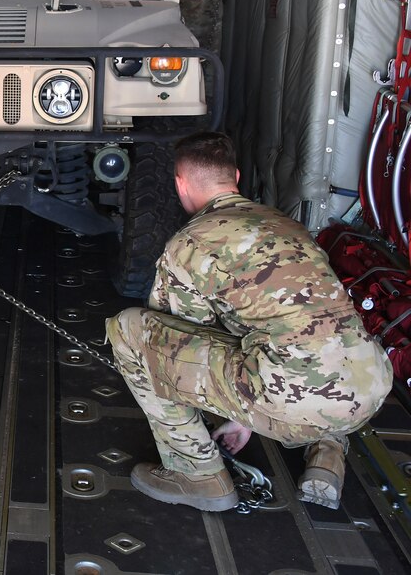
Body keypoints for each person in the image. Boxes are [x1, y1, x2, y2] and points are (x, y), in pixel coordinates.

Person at [105, 131, 392, 511]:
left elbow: (180, 344)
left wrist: (233, 410)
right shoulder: (287, 226)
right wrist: (245, 420)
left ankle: (197, 475)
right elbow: (298, 326)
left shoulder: (191, 243)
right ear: (236, 177)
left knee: (131, 331)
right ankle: (327, 458)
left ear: (180, 184)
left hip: (292, 394)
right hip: (369, 387)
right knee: (327, 347)